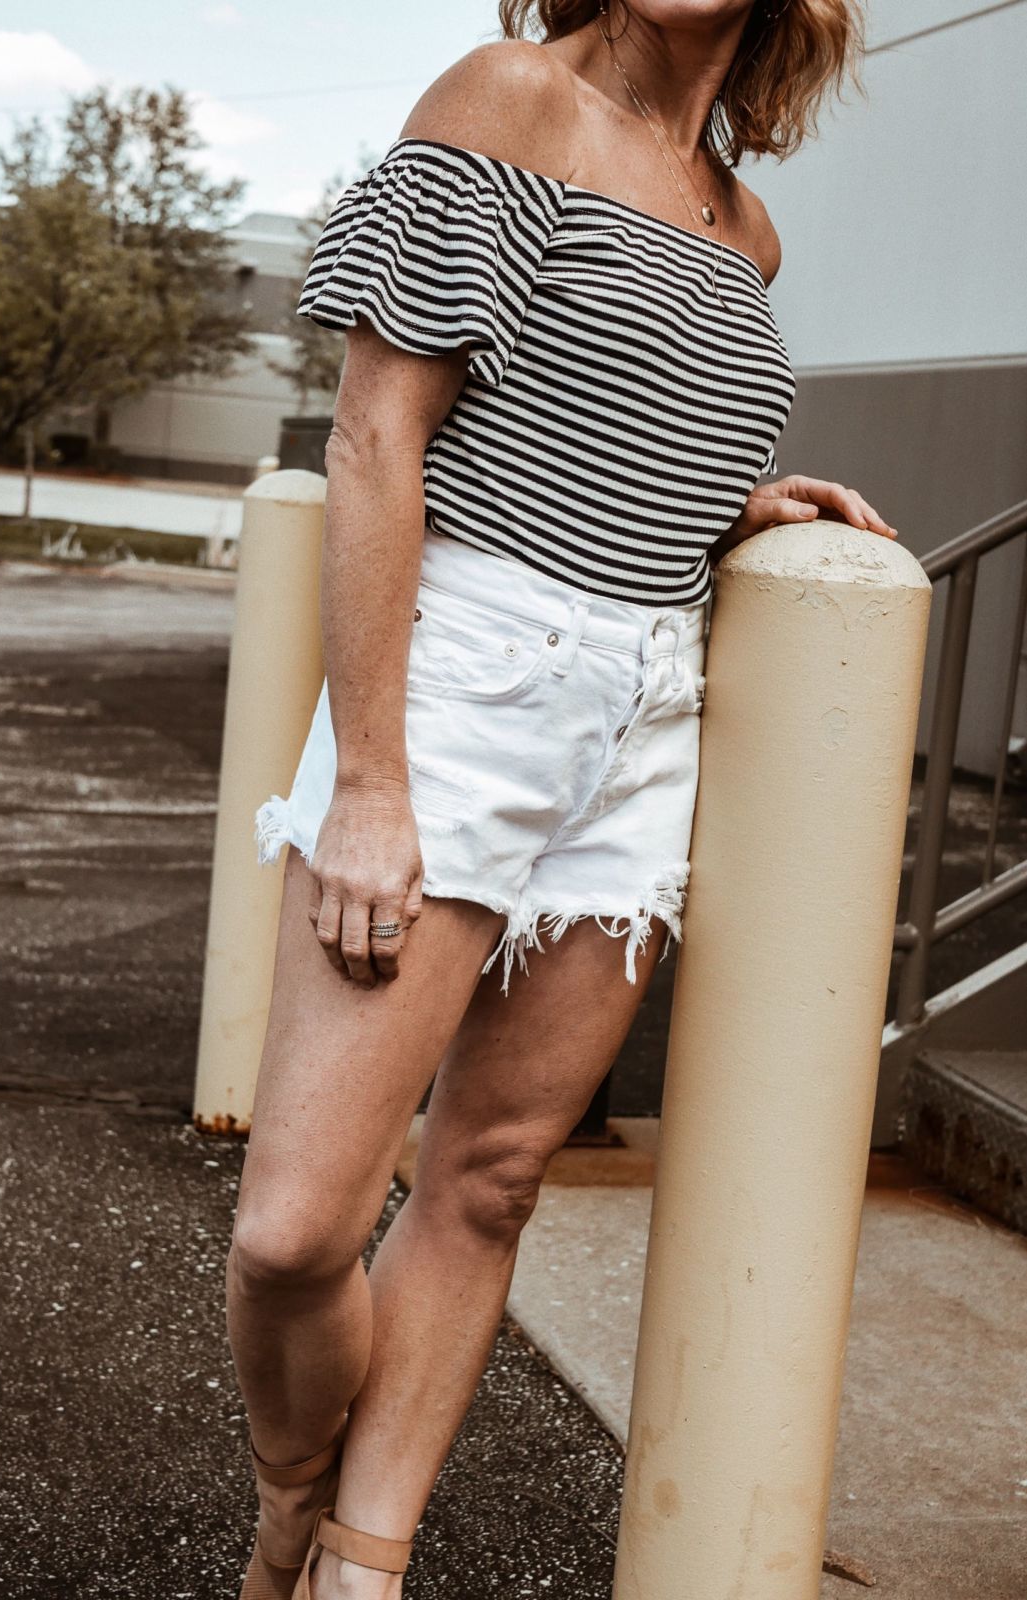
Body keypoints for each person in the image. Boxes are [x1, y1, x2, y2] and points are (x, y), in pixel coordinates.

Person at [231, 3, 893, 1596]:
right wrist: (375, 780)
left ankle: (360, 1569)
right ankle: (285, 1512)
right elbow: (381, 437)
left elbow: (598, 415)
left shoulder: (745, 226)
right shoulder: (510, 97)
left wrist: (731, 507)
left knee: (494, 1172)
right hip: (453, 686)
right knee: (298, 1230)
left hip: (643, 714)